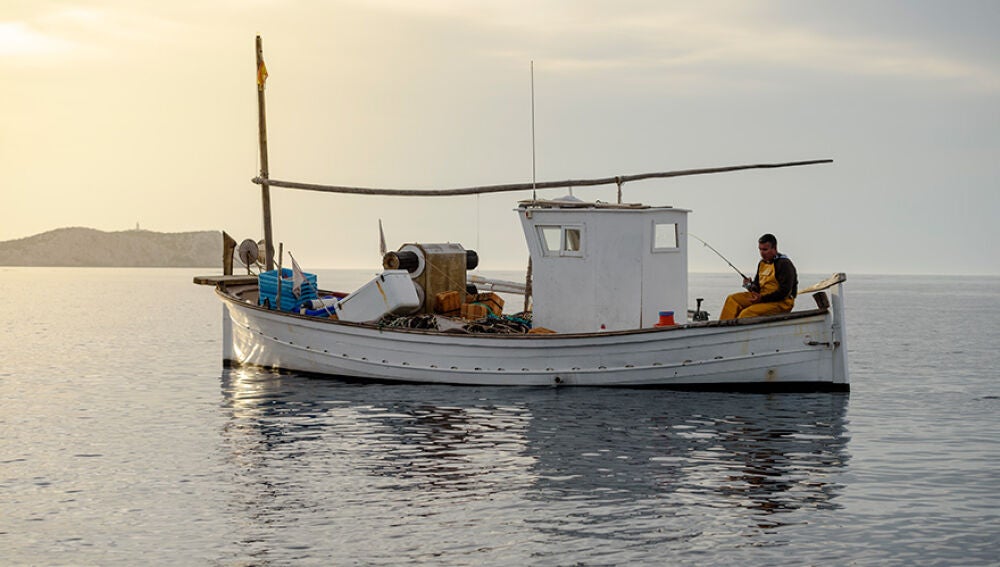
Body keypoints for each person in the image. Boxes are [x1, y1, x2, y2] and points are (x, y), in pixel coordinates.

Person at [719, 233, 797, 320]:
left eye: (765, 249)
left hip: (781, 303)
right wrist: (750, 286)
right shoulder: (762, 263)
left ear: (774, 248)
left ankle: (737, 331)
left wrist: (762, 299)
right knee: (732, 299)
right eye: (760, 249)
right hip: (762, 298)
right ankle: (721, 328)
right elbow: (757, 287)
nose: (762, 253)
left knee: (746, 313)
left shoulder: (784, 264)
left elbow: (784, 292)